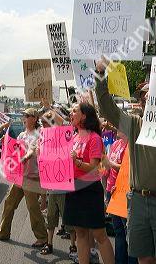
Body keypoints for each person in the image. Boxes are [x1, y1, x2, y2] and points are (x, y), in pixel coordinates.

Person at [95, 57, 156, 264]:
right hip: (138, 202)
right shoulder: (135, 124)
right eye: (144, 99)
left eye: (151, 98)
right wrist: (100, 76)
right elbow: (108, 109)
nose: (146, 102)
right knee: (144, 259)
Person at [64, 102, 115, 264]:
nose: (71, 114)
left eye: (74, 111)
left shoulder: (94, 138)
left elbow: (94, 167)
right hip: (74, 189)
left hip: (90, 190)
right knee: (80, 233)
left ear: (84, 116)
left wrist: (77, 162)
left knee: (99, 234)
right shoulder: (74, 137)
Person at [0, 108, 48, 247]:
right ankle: (3, 232)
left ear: (34, 118)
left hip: (33, 177)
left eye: (27, 116)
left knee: (33, 208)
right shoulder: (21, 135)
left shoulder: (40, 134)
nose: (24, 118)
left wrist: (28, 155)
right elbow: (16, 152)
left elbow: (36, 152)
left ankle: (43, 237)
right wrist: (6, 143)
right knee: (9, 203)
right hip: (21, 176)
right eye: (24, 116)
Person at [38, 111, 77, 256]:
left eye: (45, 123)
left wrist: (51, 111)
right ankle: (50, 244)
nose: (43, 126)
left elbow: (65, 124)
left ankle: (73, 246)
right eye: (42, 123)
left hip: (64, 188)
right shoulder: (43, 140)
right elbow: (42, 165)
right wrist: (39, 154)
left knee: (68, 219)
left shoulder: (64, 137)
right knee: (50, 218)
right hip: (52, 188)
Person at [102, 131, 136, 264]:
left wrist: (109, 163)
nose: (117, 128)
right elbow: (106, 167)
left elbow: (128, 169)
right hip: (113, 192)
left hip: (125, 194)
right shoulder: (116, 144)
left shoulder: (131, 146)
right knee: (118, 231)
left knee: (129, 234)